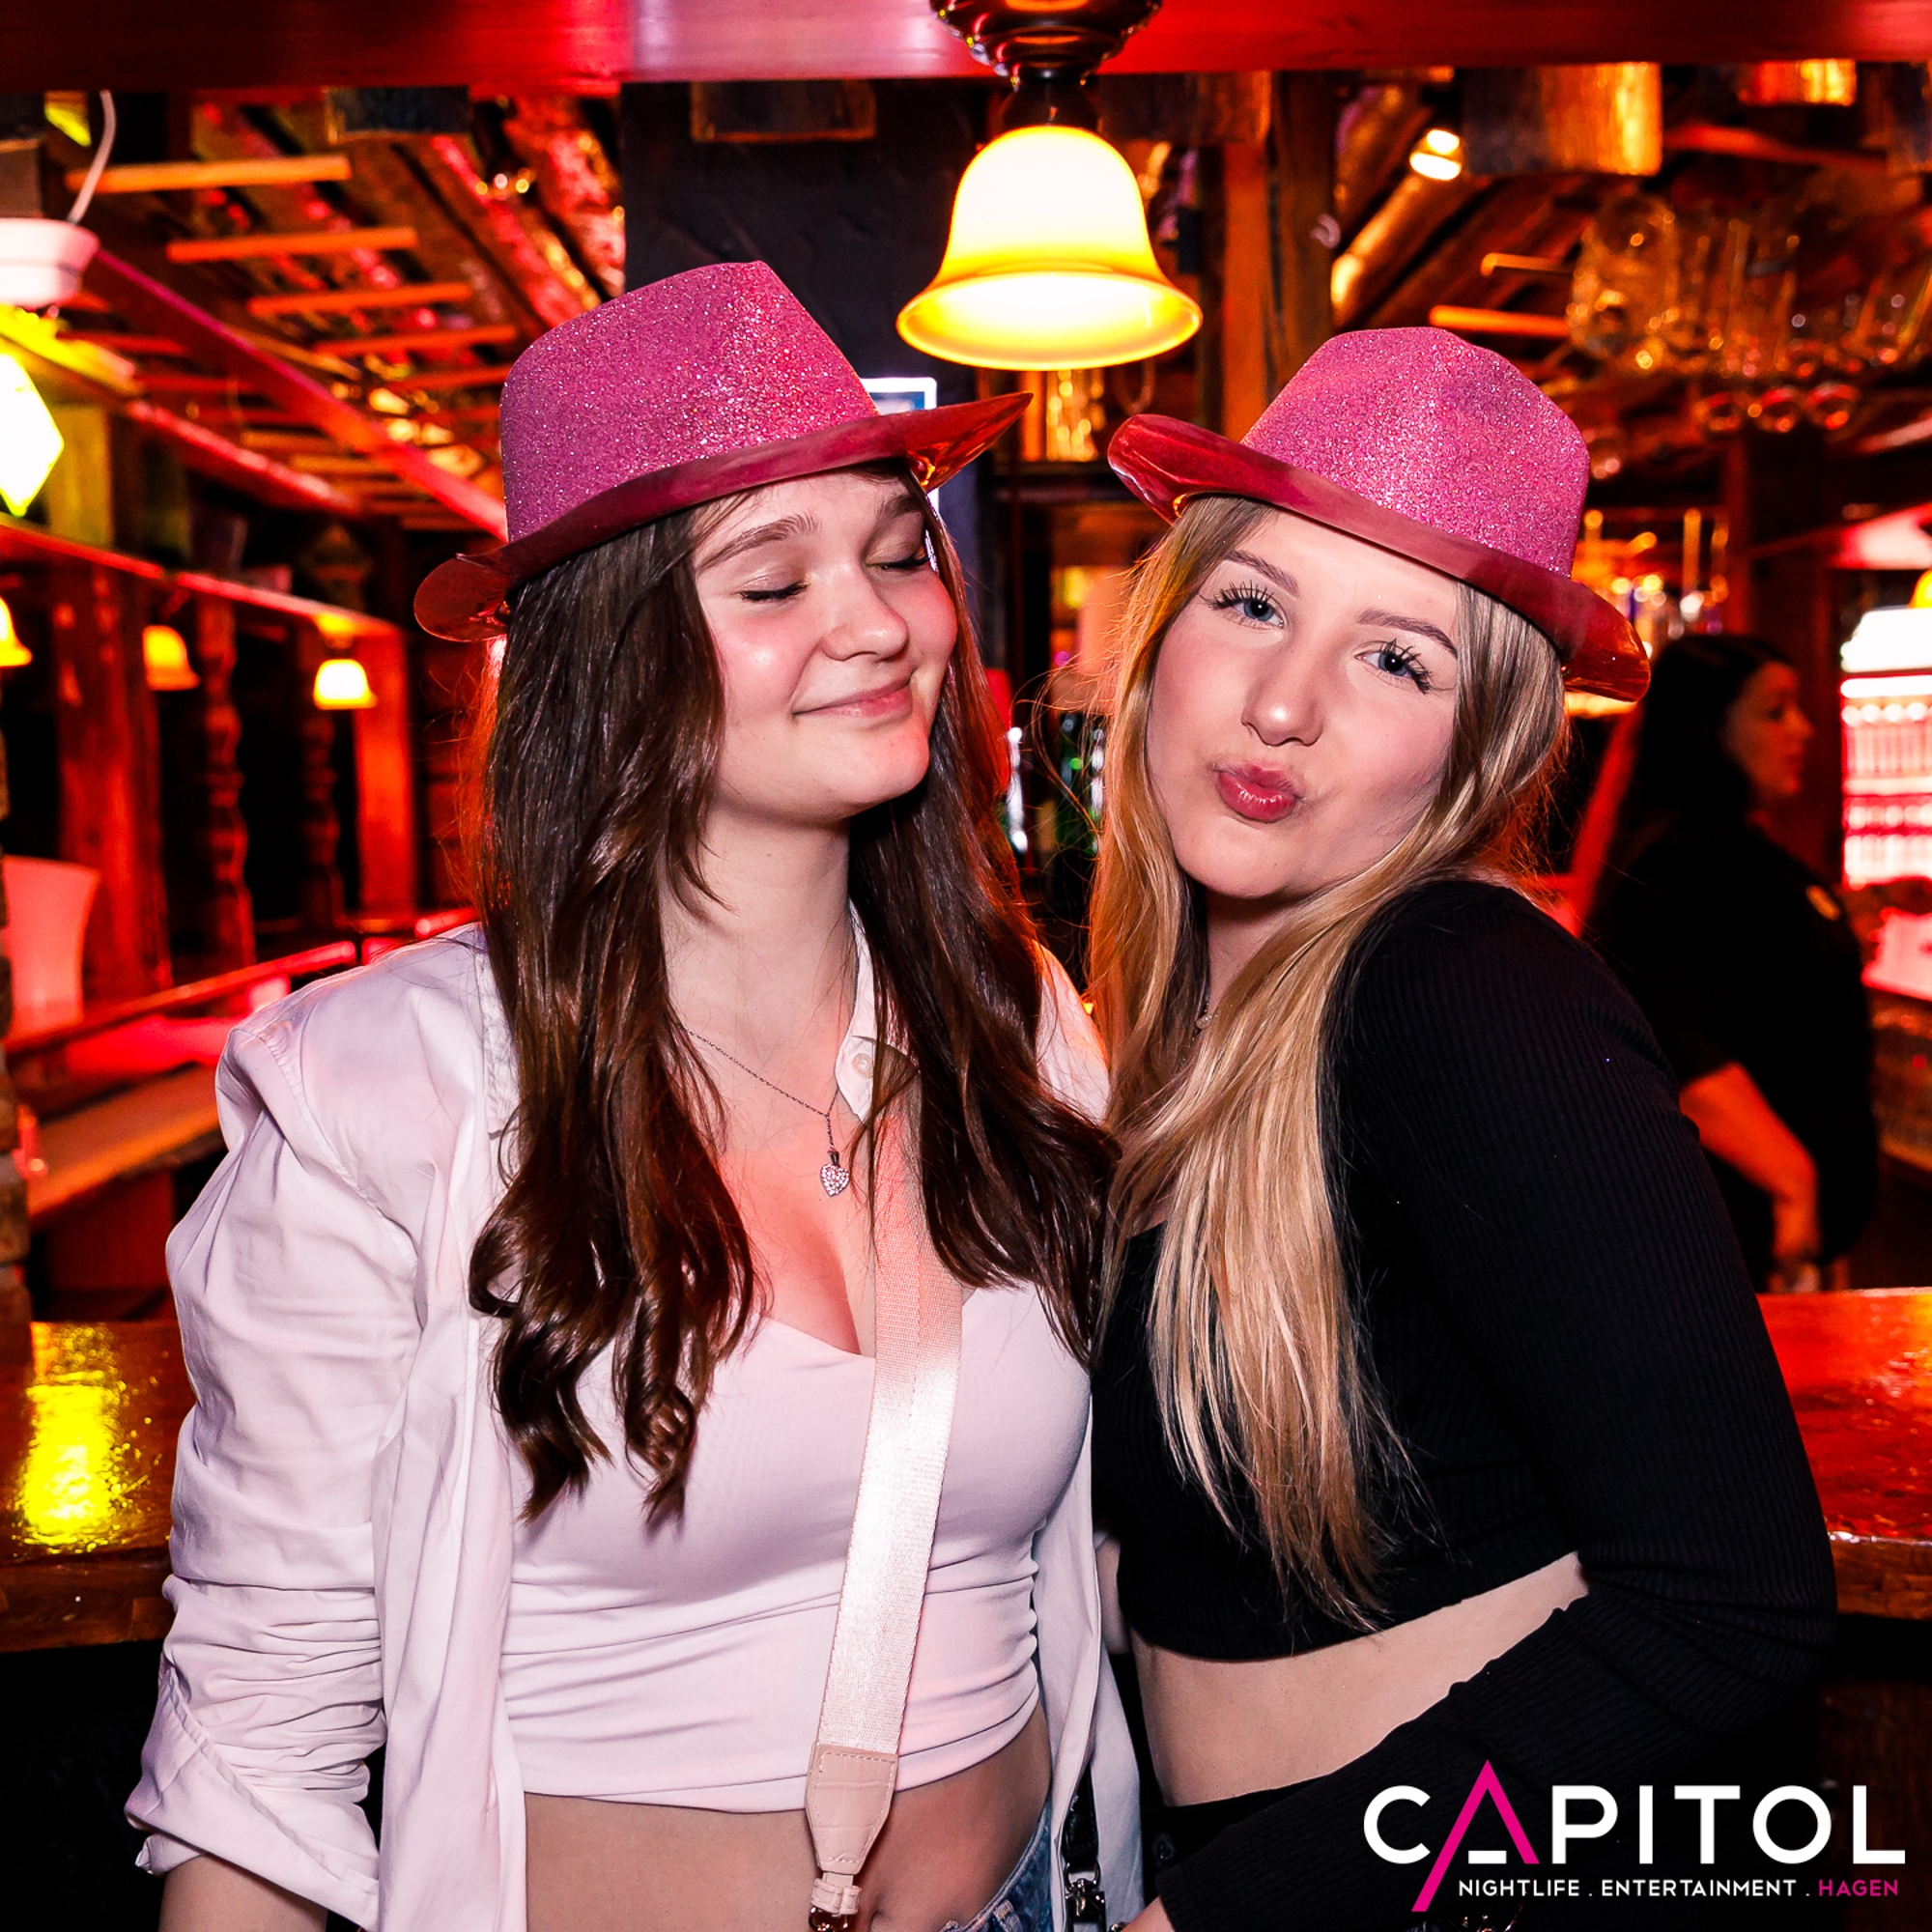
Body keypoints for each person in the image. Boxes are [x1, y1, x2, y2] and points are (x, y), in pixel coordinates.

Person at [128, 263, 1140, 1932]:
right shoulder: (383, 1087)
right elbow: (262, 1741)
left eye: (900, 554)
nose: (879, 623)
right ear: (608, 659)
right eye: (774, 580)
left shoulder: (1011, 1020)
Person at [1082, 329, 1836, 1928]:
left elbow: (1732, 1606)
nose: (1283, 703)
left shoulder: (1461, 988)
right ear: (1164, 631)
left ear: (1475, 748)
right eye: (1254, 605)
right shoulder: (1179, 1031)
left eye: (1397, 659)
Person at [1594, 632, 1877, 1293]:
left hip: (1772, 1240)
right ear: (1708, 729)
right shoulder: (1695, 858)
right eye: (1775, 711)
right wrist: (1793, 1186)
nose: (1803, 729)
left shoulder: (1729, 849)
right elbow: (1670, 1037)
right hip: (1743, 1243)